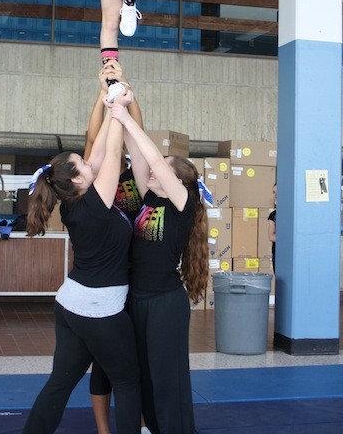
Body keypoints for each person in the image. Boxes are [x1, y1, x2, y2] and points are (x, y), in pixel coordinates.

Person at [22, 87, 141, 434]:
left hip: (70, 304)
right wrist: (119, 108)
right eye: (84, 164)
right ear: (77, 178)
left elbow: (101, 149)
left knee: (59, 384)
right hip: (98, 309)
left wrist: (109, 106)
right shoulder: (95, 202)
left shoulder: (75, 201)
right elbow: (113, 150)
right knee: (129, 382)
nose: (91, 163)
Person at [109, 99, 209, 434]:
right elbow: (139, 156)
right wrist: (124, 106)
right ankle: (152, 427)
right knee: (145, 377)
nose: (152, 172)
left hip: (165, 304)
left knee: (168, 379)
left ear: (175, 181)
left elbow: (152, 158)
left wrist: (125, 116)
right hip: (138, 300)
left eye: (161, 170)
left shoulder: (183, 204)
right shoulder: (150, 197)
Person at [84, 61, 149, 434]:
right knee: (102, 361)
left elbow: (137, 127)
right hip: (106, 277)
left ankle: (136, 420)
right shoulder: (96, 176)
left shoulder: (136, 175)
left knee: (131, 358)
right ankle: (104, 429)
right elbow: (93, 138)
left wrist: (124, 88)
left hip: (134, 276)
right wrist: (102, 93)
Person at [268, 182, 277, 271]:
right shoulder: (273, 215)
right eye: (274, 192)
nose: (275, 195)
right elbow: (271, 236)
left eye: (277, 192)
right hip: (277, 254)